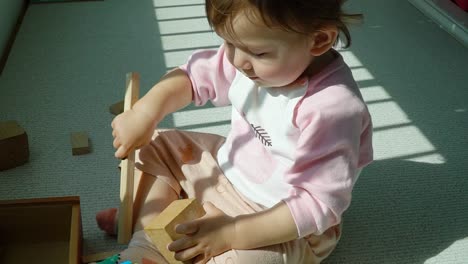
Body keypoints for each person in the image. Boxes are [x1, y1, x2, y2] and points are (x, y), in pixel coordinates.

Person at [96, 0, 373, 263]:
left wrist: (231, 234)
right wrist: (145, 112)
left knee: (248, 259)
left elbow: (316, 205)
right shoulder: (247, 55)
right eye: (228, 42)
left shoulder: (333, 110)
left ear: (319, 40)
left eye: (258, 53)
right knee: (155, 143)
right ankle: (149, 239)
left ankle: (158, 230)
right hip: (225, 169)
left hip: (275, 218)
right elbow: (192, 78)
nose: (237, 61)